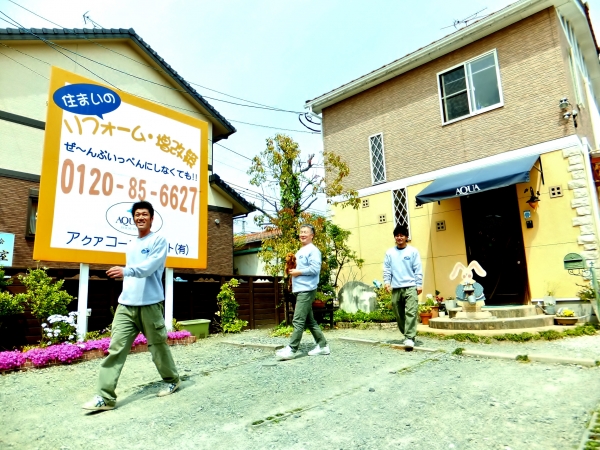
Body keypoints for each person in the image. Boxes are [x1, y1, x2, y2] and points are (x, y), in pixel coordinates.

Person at [82, 201, 180, 411]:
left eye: (144, 214)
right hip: (126, 305)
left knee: (158, 346)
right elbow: (135, 270)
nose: (140, 217)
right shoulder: (131, 243)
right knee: (115, 349)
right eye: (137, 215)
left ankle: (172, 379)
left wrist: (126, 271)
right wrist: (126, 273)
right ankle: (105, 397)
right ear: (133, 218)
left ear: (151, 218)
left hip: (150, 304)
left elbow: (149, 267)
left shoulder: (159, 240)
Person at [276, 224, 330, 360]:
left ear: (312, 235)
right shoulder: (301, 251)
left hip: (307, 289)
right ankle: (323, 346)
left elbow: (315, 269)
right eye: (301, 232)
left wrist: (298, 272)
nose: (302, 234)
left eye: (305, 232)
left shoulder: (313, 250)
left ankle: (292, 349)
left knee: (298, 320)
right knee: (309, 320)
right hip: (300, 289)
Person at [383, 224, 423, 350]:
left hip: (411, 286)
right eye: (397, 235)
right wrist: (387, 282)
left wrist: (419, 284)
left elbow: (417, 268)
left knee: (411, 312)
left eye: (402, 235)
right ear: (395, 237)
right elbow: (387, 269)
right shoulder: (390, 253)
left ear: (406, 237)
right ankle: (406, 334)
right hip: (396, 287)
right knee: (398, 313)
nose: (399, 238)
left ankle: (409, 337)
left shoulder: (413, 251)